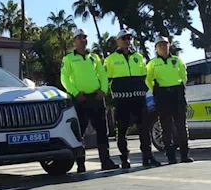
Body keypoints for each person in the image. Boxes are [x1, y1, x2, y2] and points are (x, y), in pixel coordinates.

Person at [60, 28, 119, 173]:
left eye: (85, 37)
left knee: (102, 131)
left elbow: (103, 75)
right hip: (80, 99)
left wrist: (103, 90)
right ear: (74, 41)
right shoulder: (68, 59)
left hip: (97, 98)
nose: (83, 40)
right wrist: (75, 92)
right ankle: (81, 164)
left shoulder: (95, 57)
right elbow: (65, 78)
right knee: (79, 132)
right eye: (79, 37)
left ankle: (106, 161)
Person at [104, 29, 161, 168]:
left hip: (139, 99)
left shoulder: (139, 57)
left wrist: (147, 90)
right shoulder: (110, 59)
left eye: (129, 38)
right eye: (124, 38)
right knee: (122, 130)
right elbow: (107, 79)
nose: (127, 41)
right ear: (117, 41)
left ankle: (148, 157)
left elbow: (145, 76)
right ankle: (124, 158)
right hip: (122, 100)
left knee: (144, 129)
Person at [146, 36, 193, 164]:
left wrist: (180, 86)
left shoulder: (177, 60)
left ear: (169, 45)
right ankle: (171, 156)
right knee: (166, 127)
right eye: (159, 45)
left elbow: (184, 76)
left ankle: (184, 154)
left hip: (177, 94)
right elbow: (148, 79)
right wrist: (155, 90)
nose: (162, 47)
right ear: (156, 48)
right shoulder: (152, 63)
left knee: (181, 126)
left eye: (165, 44)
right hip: (162, 95)